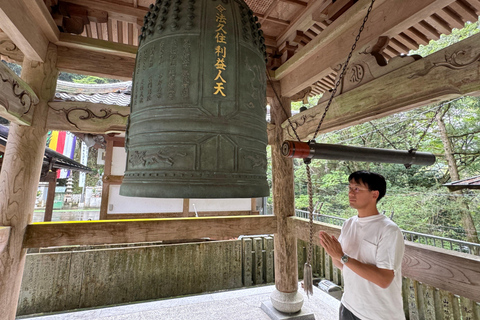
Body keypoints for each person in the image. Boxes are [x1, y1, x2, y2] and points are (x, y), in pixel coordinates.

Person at [319, 171, 405, 320]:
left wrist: (342, 257)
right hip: (348, 306)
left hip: (377, 314)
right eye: (350, 188)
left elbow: (384, 280)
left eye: (357, 189)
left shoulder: (388, 230)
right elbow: (343, 265)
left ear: (374, 194)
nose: (351, 193)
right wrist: (334, 253)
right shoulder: (349, 223)